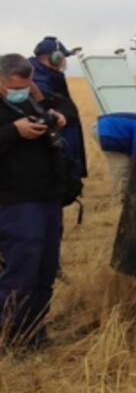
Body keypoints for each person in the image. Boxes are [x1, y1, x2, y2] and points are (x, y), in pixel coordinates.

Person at [0, 53, 70, 348]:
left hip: (47, 199)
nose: (22, 91)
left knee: (45, 269)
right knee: (21, 271)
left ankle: (33, 332)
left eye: (27, 85)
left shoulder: (31, 100)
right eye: (16, 86)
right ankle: (7, 336)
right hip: (15, 201)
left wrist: (54, 113)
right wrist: (13, 132)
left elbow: (66, 108)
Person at [29, 37, 87, 181]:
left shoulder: (48, 77)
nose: (64, 62)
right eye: (63, 57)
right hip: (52, 155)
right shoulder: (39, 82)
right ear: (55, 58)